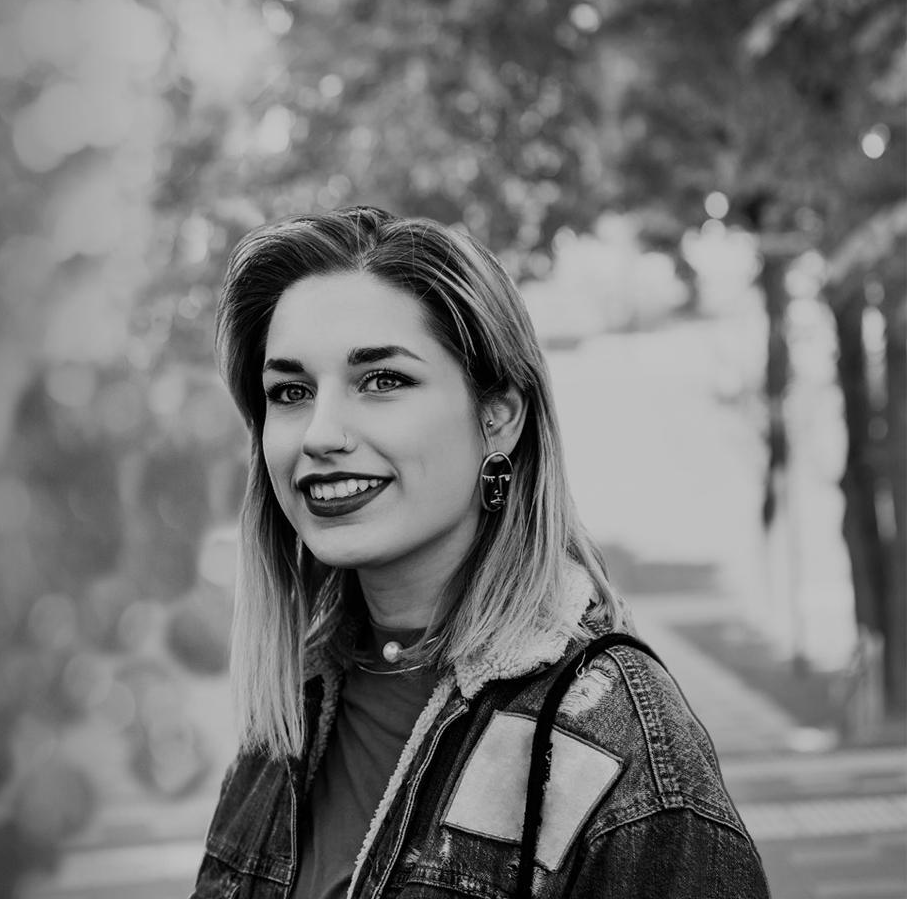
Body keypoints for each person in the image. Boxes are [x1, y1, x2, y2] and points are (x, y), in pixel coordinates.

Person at [192, 206, 769, 898]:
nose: (321, 433)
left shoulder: (619, 745)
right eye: (290, 392)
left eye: (382, 381)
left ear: (498, 416)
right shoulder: (285, 719)